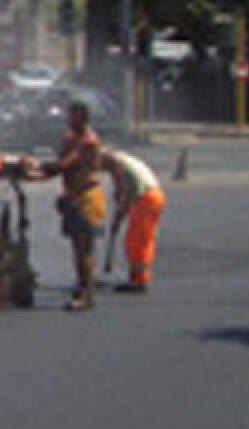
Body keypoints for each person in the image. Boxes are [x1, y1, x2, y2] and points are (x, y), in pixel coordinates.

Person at [25, 100, 105, 311]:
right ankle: (81, 288)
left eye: (73, 116)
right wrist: (35, 175)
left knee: (84, 249)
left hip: (86, 198)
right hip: (73, 197)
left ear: (83, 118)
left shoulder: (88, 141)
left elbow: (64, 165)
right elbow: (60, 165)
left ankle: (86, 293)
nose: (68, 120)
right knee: (76, 248)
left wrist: (36, 167)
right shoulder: (72, 139)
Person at [101, 148, 166, 293]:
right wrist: (118, 217)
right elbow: (126, 199)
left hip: (147, 198)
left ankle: (139, 281)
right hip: (147, 197)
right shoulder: (123, 164)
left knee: (139, 241)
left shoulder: (114, 161)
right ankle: (136, 277)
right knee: (134, 240)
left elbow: (123, 194)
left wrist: (119, 192)